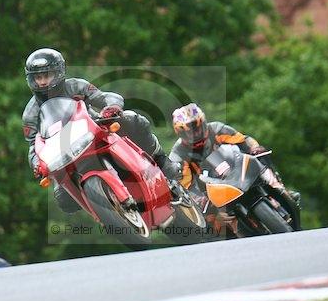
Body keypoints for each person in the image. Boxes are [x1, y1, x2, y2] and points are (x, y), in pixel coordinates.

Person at [22, 48, 179, 214]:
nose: (43, 82)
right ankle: (106, 212)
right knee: (63, 199)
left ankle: (162, 161)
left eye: (47, 75)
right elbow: (34, 147)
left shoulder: (76, 86)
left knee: (133, 120)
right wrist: (37, 164)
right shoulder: (30, 115)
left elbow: (104, 97)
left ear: (59, 72)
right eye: (38, 77)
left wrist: (112, 108)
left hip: (96, 131)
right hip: (65, 156)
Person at [169, 103, 300, 233]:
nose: (196, 134)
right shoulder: (178, 154)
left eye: (198, 128)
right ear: (181, 133)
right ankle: (234, 235)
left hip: (235, 169)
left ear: (203, 122)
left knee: (260, 156)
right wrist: (200, 200)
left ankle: (280, 188)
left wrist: (254, 148)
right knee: (210, 221)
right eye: (190, 132)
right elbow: (186, 186)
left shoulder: (216, 129)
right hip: (210, 189)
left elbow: (244, 140)